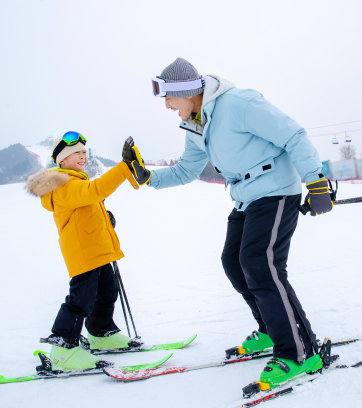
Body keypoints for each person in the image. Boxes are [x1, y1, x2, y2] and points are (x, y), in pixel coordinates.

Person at [133, 57, 334, 388]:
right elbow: (186, 170)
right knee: (234, 262)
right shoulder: (196, 125)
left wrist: (316, 182)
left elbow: (293, 135)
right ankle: (271, 329)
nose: (168, 106)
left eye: (169, 98)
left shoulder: (239, 103)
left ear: (185, 91)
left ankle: (297, 351)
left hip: (276, 192)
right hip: (246, 197)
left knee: (261, 265)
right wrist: (146, 177)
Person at [26, 131, 141, 370]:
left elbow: (87, 204)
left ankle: (101, 333)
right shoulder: (62, 184)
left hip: (96, 250)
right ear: (61, 160)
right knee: (81, 300)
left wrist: (102, 218)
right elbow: (95, 191)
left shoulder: (75, 181)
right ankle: (63, 351)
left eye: (83, 152)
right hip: (83, 252)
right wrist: (124, 168)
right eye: (75, 152)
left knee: (107, 291)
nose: (82, 156)